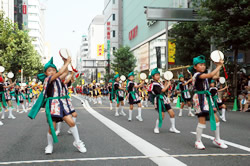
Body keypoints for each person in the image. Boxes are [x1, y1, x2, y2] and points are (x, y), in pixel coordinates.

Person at [28, 57, 86, 154]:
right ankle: (49, 145)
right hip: (52, 106)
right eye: (49, 70)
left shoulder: (58, 79)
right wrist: (66, 63)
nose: (52, 72)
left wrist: (65, 63)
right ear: (46, 73)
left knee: (71, 122)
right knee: (52, 127)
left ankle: (77, 142)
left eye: (54, 70)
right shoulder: (48, 79)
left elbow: (64, 73)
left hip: (62, 104)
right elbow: (60, 73)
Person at [190, 55, 228, 150]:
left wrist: (217, 66)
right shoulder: (197, 75)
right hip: (200, 98)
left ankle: (217, 139)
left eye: (204, 65)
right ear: (195, 67)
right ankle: (198, 141)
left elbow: (215, 76)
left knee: (216, 119)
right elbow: (210, 75)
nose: (203, 66)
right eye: (200, 65)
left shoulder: (204, 74)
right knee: (202, 120)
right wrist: (219, 65)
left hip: (207, 97)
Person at [150, 68, 180, 134]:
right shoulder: (154, 84)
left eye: (158, 75)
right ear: (153, 77)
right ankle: (156, 127)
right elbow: (162, 90)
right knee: (162, 115)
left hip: (165, 99)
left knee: (172, 113)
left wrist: (166, 83)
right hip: (159, 100)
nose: (158, 76)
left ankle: (173, 127)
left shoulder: (159, 83)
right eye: (156, 75)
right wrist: (168, 84)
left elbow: (165, 90)